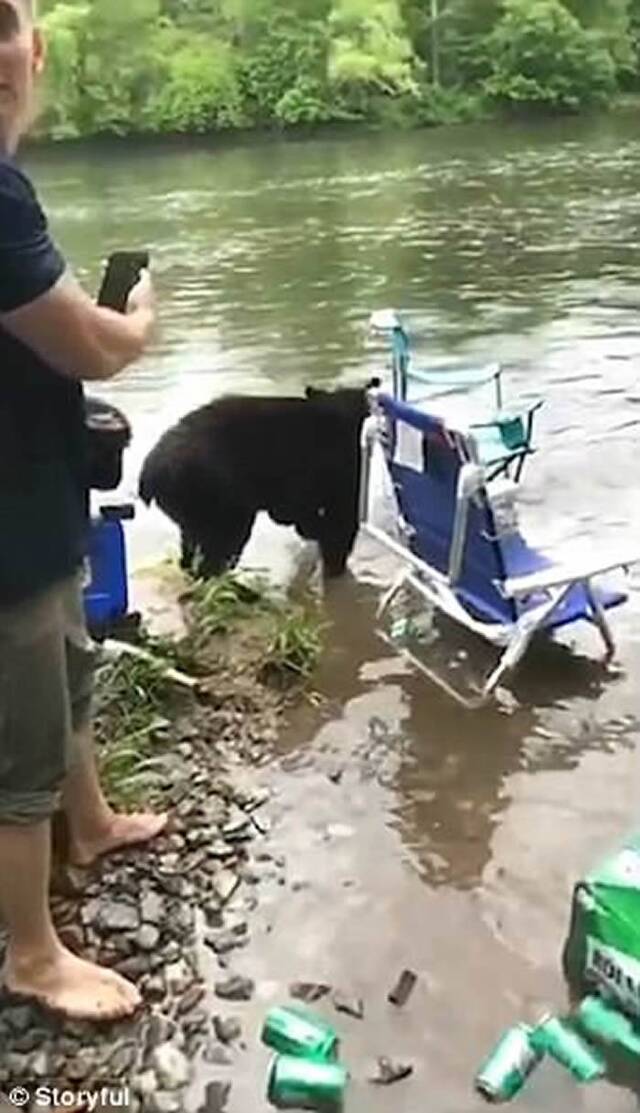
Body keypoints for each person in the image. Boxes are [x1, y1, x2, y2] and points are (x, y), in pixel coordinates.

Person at [0, 0, 167, 1020]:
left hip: (34, 495)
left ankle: (92, 822)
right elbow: (89, 347)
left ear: (35, 47)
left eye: (2, 25)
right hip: (3, 533)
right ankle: (29, 953)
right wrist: (136, 322)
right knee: (19, 748)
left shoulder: (10, 187)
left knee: (68, 668)